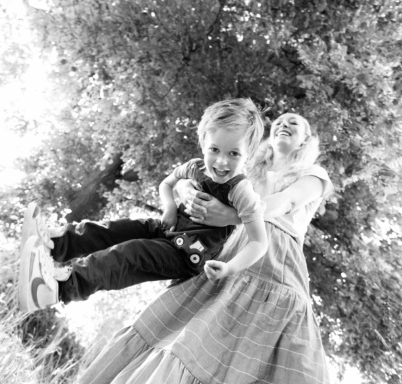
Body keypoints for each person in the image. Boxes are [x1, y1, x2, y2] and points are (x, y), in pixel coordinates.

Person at [77, 112, 334, 384]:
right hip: (223, 251)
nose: (283, 125)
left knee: (242, 351)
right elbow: (201, 179)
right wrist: (187, 191)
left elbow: (286, 202)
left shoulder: (314, 175)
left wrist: (232, 216)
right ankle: (69, 272)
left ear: (306, 138)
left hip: (274, 263)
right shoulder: (243, 169)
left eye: (293, 123)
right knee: (180, 335)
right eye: (279, 122)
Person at [18, 98, 268, 313]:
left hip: (184, 254)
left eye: (234, 154)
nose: (222, 161)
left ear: (248, 154)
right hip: (165, 227)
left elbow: (259, 242)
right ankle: (56, 243)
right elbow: (166, 184)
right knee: (117, 228)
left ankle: (60, 287)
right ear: (203, 143)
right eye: (214, 149)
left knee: (130, 255)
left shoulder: (241, 191)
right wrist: (169, 207)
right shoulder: (194, 167)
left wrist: (229, 267)